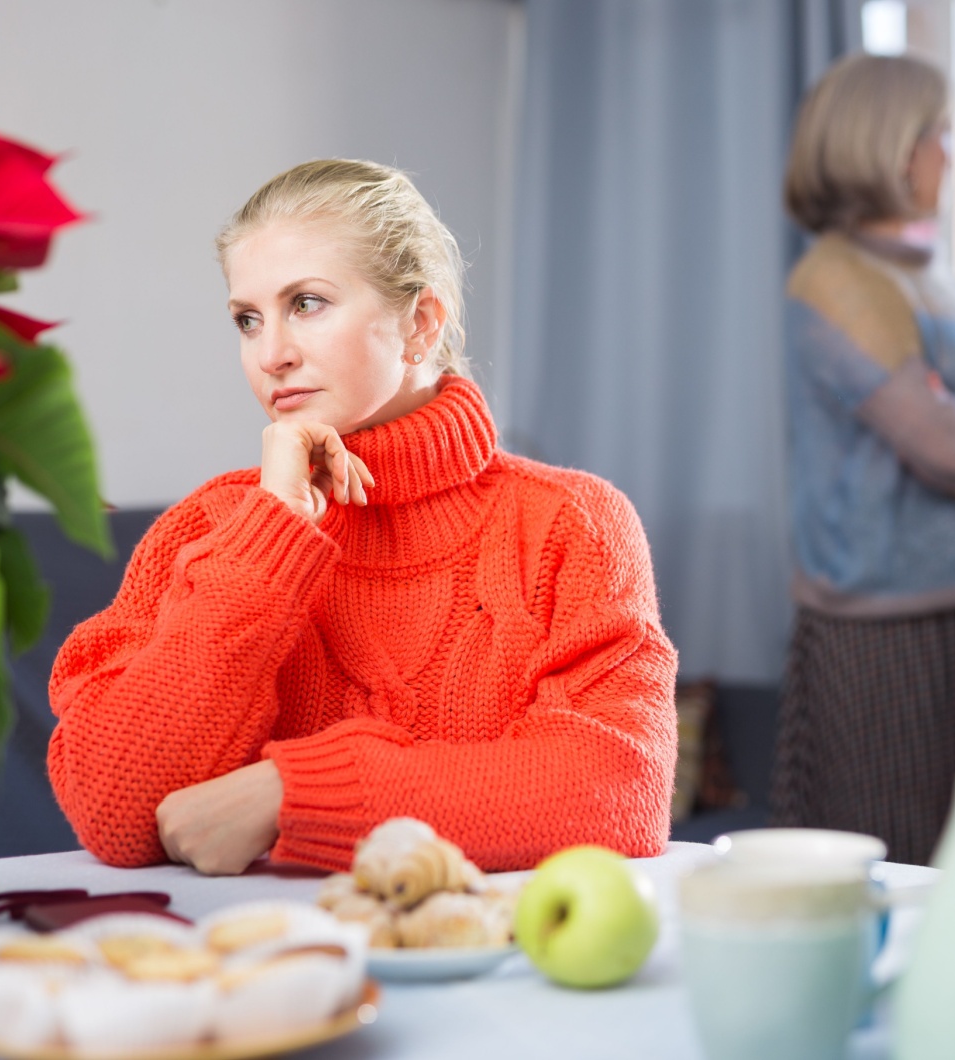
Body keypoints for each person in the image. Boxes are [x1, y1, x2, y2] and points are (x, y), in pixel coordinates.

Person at [48, 159, 677, 875]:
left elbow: (620, 787)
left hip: (483, 948)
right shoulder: (212, 525)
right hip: (258, 947)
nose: (271, 355)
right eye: (248, 320)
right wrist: (269, 538)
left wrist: (296, 794)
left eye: (307, 303)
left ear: (420, 324)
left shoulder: (571, 522)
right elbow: (111, 807)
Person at [768, 54, 955, 866]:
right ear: (892, 147)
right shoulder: (836, 281)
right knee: (897, 867)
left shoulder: (930, 277)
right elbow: (951, 445)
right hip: (880, 626)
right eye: (939, 134)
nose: (950, 156)